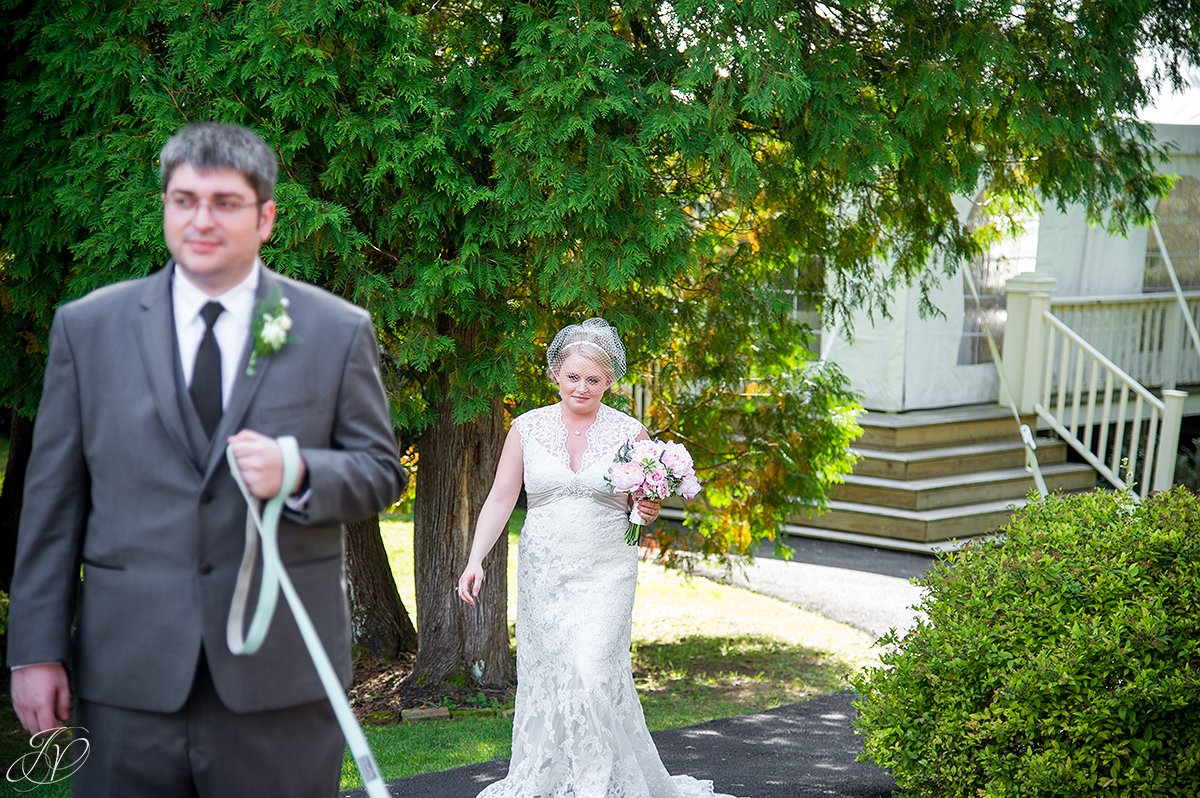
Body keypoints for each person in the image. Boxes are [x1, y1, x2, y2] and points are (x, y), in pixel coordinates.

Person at [7, 122, 406, 797]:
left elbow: (380, 471)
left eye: (225, 202)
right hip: (126, 679)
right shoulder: (88, 328)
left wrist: (302, 471)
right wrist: (35, 650)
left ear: (266, 217)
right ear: (164, 207)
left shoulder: (337, 331)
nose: (201, 219)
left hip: (279, 683)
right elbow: (52, 504)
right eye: (184, 200)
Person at [457, 318, 739, 798]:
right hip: (545, 572)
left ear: (609, 381)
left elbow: (641, 507)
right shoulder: (526, 428)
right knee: (551, 676)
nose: (581, 388)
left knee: (591, 672)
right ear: (555, 375)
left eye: (593, 379)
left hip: (606, 571)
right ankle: (553, 775)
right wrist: (475, 559)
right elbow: (502, 498)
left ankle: (596, 784)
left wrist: (648, 509)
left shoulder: (631, 432)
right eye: (573, 377)